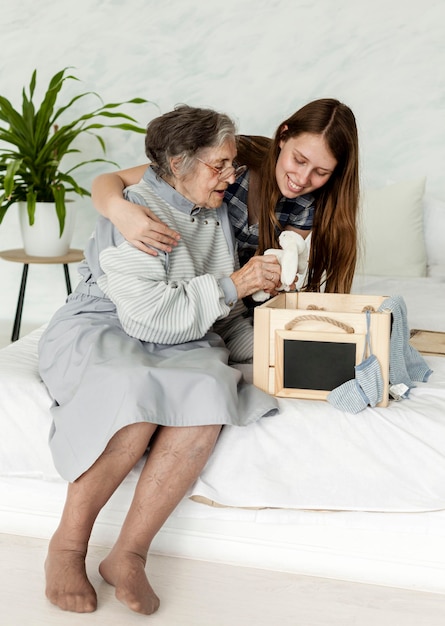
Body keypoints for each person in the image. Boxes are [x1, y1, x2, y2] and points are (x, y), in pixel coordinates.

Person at [38, 105, 280, 616]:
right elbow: (150, 321)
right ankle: (67, 547)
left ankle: (128, 554)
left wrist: (281, 344)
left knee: (210, 395)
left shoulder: (208, 209)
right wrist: (235, 284)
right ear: (177, 163)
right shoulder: (138, 211)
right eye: (220, 165)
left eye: (232, 164)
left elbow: (217, 315)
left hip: (180, 330)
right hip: (108, 323)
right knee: (134, 401)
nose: (231, 178)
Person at [92, 98, 360, 295]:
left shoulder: (306, 204)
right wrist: (118, 210)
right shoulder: (226, 162)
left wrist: (277, 280)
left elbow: (281, 263)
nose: (302, 179)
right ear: (283, 136)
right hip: (188, 286)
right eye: (299, 160)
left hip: (233, 303)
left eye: (321, 172)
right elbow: (110, 180)